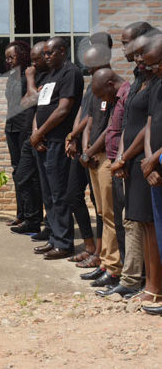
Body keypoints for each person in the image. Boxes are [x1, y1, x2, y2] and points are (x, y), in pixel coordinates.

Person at [102, 31, 161, 299]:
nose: (141, 61)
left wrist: (151, 158)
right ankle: (147, 285)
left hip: (149, 162)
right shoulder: (147, 82)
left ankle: (152, 286)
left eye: (145, 56)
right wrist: (136, 157)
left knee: (150, 223)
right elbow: (145, 123)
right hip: (143, 162)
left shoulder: (154, 82)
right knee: (144, 224)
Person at [30, 37, 84, 259]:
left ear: (63, 51)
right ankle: (53, 237)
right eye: (44, 54)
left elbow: (63, 109)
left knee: (59, 193)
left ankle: (64, 243)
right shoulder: (49, 75)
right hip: (42, 141)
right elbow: (40, 107)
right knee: (48, 194)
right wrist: (36, 133)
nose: (46, 57)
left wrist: (40, 133)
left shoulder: (70, 73)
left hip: (58, 142)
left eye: (50, 53)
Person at [65, 36, 112, 267]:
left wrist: (90, 149)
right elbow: (86, 114)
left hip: (99, 154)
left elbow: (106, 124)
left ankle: (102, 254)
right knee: (73, 196)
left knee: (101, 206)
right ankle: (90, 246)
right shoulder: (92, 82)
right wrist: (75, 138)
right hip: (84, 150)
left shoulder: (109, 82)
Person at [86, 68, 130, 288]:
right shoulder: (116, 96)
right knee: (103, 213)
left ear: (110, 84)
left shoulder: (125, 95)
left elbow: (118, 130)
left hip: (111, 160)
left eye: (103, 94)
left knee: (111, 215)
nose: (102, 99)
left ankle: (114, 267)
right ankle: (105, 262)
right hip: (102, 157)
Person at [11, 41, 47, 235]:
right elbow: (24, 102)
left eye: (37, 59)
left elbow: (33, 97)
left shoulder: (42, 77)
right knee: (22, 176)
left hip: (41, 136)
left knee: (40, 181)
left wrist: (30, 77)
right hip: (29, 134)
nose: (33, 64)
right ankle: (31, 219)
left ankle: (43, 223)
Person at [140, 34, 162, 314]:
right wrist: (149, 161)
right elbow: (149, 124)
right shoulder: (157, 87)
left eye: (157, 64)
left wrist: (154, 158)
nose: (153, 69)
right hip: (155, 170)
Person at [3, 40, 31, 228]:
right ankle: (20, 214)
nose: (9, 61)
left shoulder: (30, 73)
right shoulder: (12, 76)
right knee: (16, 171)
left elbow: (32, 97)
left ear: (22, 55)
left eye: (12, 57)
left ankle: (31, 215)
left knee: (26, 172)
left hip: (24, 127)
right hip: (11, 126)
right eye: (7, 58)